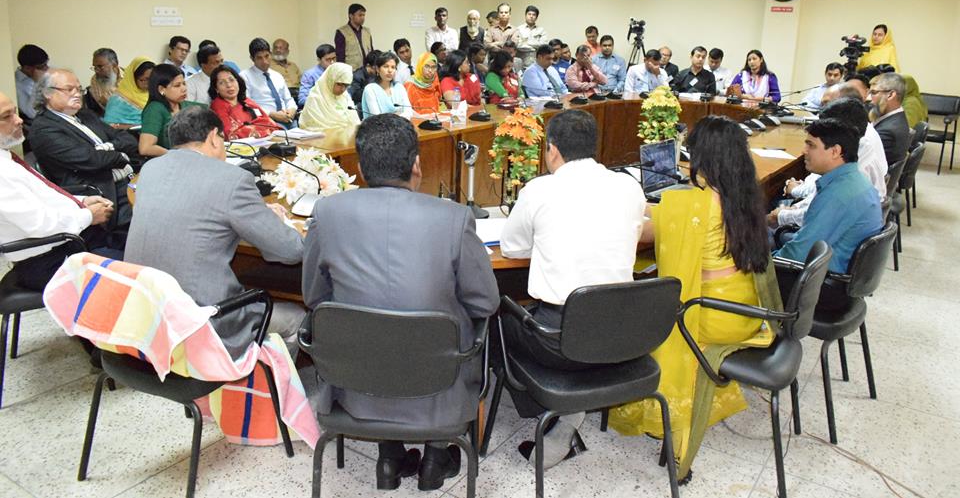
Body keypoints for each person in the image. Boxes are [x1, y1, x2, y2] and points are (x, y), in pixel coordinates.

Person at [301, 113, 499, 491]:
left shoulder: (325, 214)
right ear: (416, 165)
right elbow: (485, 303)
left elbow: (314, 297)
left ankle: (389, 457)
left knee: (371, 322)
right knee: (456, 321)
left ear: (360, 169)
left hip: (356, 383)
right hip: (438, 385)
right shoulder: (455, 219)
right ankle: (436, 458)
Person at [608, 115, 779, 482]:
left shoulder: (693, 206)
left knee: (643, 311)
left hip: (710, 317)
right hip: (746, 311)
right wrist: (656, 208)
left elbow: (640, 233)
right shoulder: (743, 195)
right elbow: (669, 217)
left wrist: (625, 206)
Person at [500, 109, 646, 469]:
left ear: (552, 149)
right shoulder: (630, 186)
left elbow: (511, 248)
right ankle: (566, 410)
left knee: (497, 317)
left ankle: (552, 411)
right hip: (622, 334)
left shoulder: (540, 189)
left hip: (560, 342)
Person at [126, 107, 304, 354]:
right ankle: (261, 378)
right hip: (203, 319)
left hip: (147, 313)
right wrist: (271, 221)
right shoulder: (233, 179)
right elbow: (290, 251)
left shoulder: (150, 170)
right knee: (298, 319)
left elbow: (195, 212)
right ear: (213, 137)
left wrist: (254, 214)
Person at [0, 90, 117, 289]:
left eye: (15, 112)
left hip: (63, 242)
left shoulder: (6, 158)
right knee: (137, 266)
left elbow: (42, 196)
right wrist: (88, 215)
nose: (19, 120)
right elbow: (39, 224)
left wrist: (80, 201)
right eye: (6, 116)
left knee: (127, 239)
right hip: (49, 260)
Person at [28, 68, 136, 241]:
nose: (77, 94)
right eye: (69, 89)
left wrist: (107, 147)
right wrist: (122, 156)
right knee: (153, 216)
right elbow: (93, 160)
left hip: (130, 178)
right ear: (47, 93)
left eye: (79, 89)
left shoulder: (85, 115)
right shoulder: (44, 129)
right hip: (105, 191)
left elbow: (128, 139)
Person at [775, 118, 883, 275]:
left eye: (811, 145)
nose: (804, 151)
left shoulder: (839, 194)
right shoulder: (854, 180)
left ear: (835, 151)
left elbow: (797, 254)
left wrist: (764, 265)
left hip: (821, 279)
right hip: (830, 271)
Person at [769, 97, 886, 229]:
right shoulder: (862, 144)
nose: (804, 151)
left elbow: (820, 215)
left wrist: (782, 214)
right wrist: (795, 207)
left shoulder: (853, 173)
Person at [139, 64, 204, 158]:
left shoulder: (187, 106)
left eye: (184, 84)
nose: (184, 89)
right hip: (167, 162)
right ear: (162, 89)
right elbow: (145, 148)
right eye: (177, 85)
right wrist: (175, 155)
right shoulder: (155, 109)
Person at [208, 66, 281, 140]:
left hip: (265, 141)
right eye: (222, 83)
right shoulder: (217, 105)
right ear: (216, 89)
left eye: (231, 80)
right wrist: (261, 130)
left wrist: (252, 129)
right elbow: (229, 134)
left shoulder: (247, 101)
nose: (229, 85)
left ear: (238, 82)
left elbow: (272, 125)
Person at [240, 38, 297, 127]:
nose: (265, 61)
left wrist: (292, 109)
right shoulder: (244, 76)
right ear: (252, 58)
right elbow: (247, 106)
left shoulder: (277, 75)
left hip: (288, 118)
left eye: (267, 56)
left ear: (270, 54)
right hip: (266, 121)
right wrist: (271, 114)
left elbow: (288, 99)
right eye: (259, 58)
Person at [300, 62, 360, 130]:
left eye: (346, 85)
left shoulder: (346, 97)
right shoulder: (315, 99)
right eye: (339, 84)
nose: (343, 89)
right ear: (330, 80)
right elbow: (312, 128)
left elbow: (355, 123)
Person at [868, 72, 911, 166]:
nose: (869, 98)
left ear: (890, 95)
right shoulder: (897, 118)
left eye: (874, 93)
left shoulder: (887, 132)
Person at [104, 57, 154, 128]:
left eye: (152, 79)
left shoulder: (154, 94)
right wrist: (137, 126)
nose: (148, 84)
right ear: (133, 78)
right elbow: (109, 126)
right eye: (144, 80)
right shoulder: (118, 100)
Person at [362, 51, 413, 119]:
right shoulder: (370, 89)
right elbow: (377, 117)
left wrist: (393, 117)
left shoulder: (399, 87)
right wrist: (398, 115)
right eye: (386, 66)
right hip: (379, 126)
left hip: (401, 124)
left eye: (393, 67)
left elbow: (409, 112)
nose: (390, 70)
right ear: (378, 69)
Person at [14, 44, 49, 121]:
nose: (46, 68)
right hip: (40, 121)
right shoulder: (16, 84)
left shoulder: (47, 72)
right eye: (42, 66)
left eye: (46, 64)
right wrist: (38, 82)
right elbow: (32, 114)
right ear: (27, 68)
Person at [335, 3, 373, 71]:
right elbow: (340, 56)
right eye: (360, 15)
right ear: (351, 16)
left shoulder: (367, 31)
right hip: (351, 71)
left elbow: (371, 51)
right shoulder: (342, 32)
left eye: (364, 15)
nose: (362, 18)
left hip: (367, 70)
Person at [85, 48, 120, 116]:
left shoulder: (130, 78)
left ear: (114, 65)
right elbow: (101, 106)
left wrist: (111, 104)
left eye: (100, 66)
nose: (97, 71)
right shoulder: (95, 80)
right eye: (95, 67)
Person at [513, 5, 547, 69]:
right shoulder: (518, 29)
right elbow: (518, 45)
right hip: (522, 65)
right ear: (525, 15)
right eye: (529, 14)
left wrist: (527, 42)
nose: (531, 16)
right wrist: (534, 48)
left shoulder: (541, 30)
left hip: (537, 65)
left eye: (534, 15)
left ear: (536, 17)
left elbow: (543, 46)